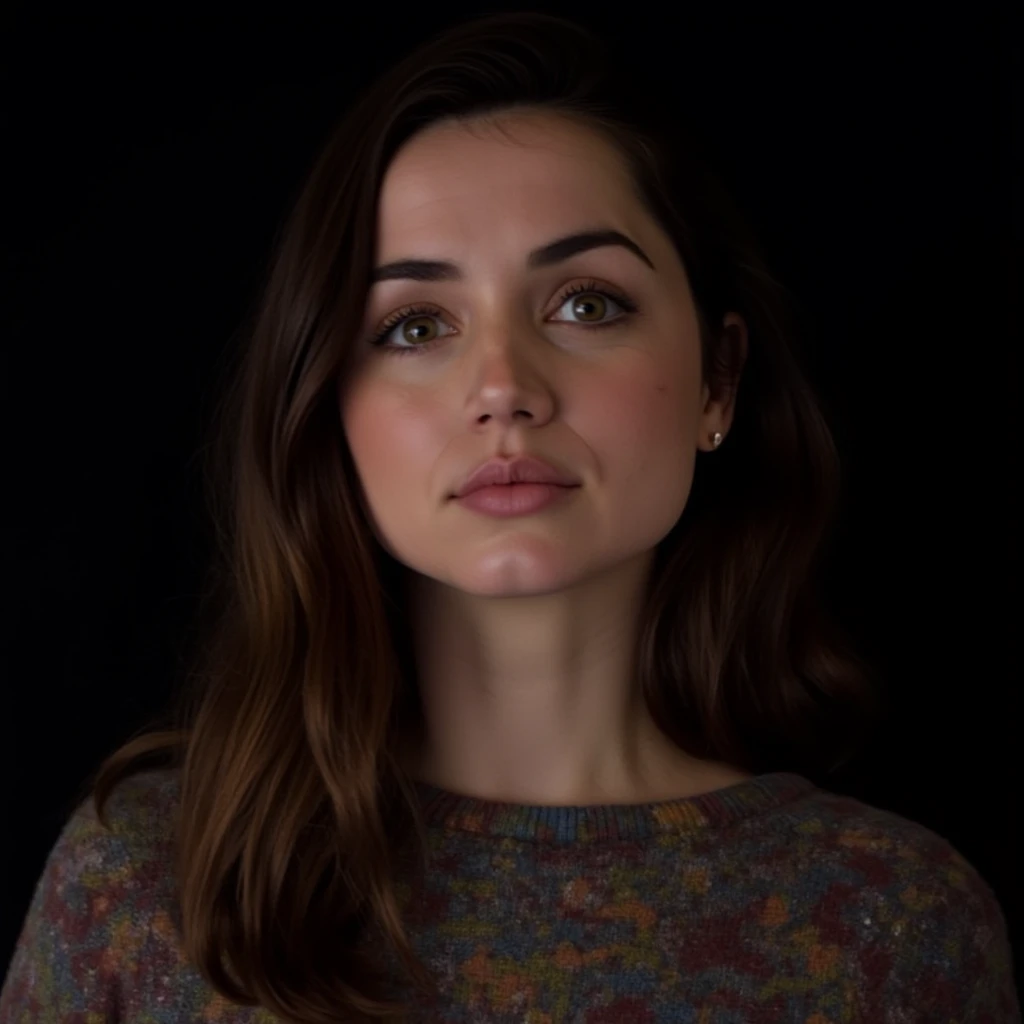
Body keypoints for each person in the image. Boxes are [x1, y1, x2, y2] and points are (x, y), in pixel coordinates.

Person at [2, 11, 1018, 1024]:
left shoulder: (893, 925)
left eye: (585, 303)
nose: (502, 387)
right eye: (414, 325)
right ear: (327, 410)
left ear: (718, 379)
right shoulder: (144, 887)